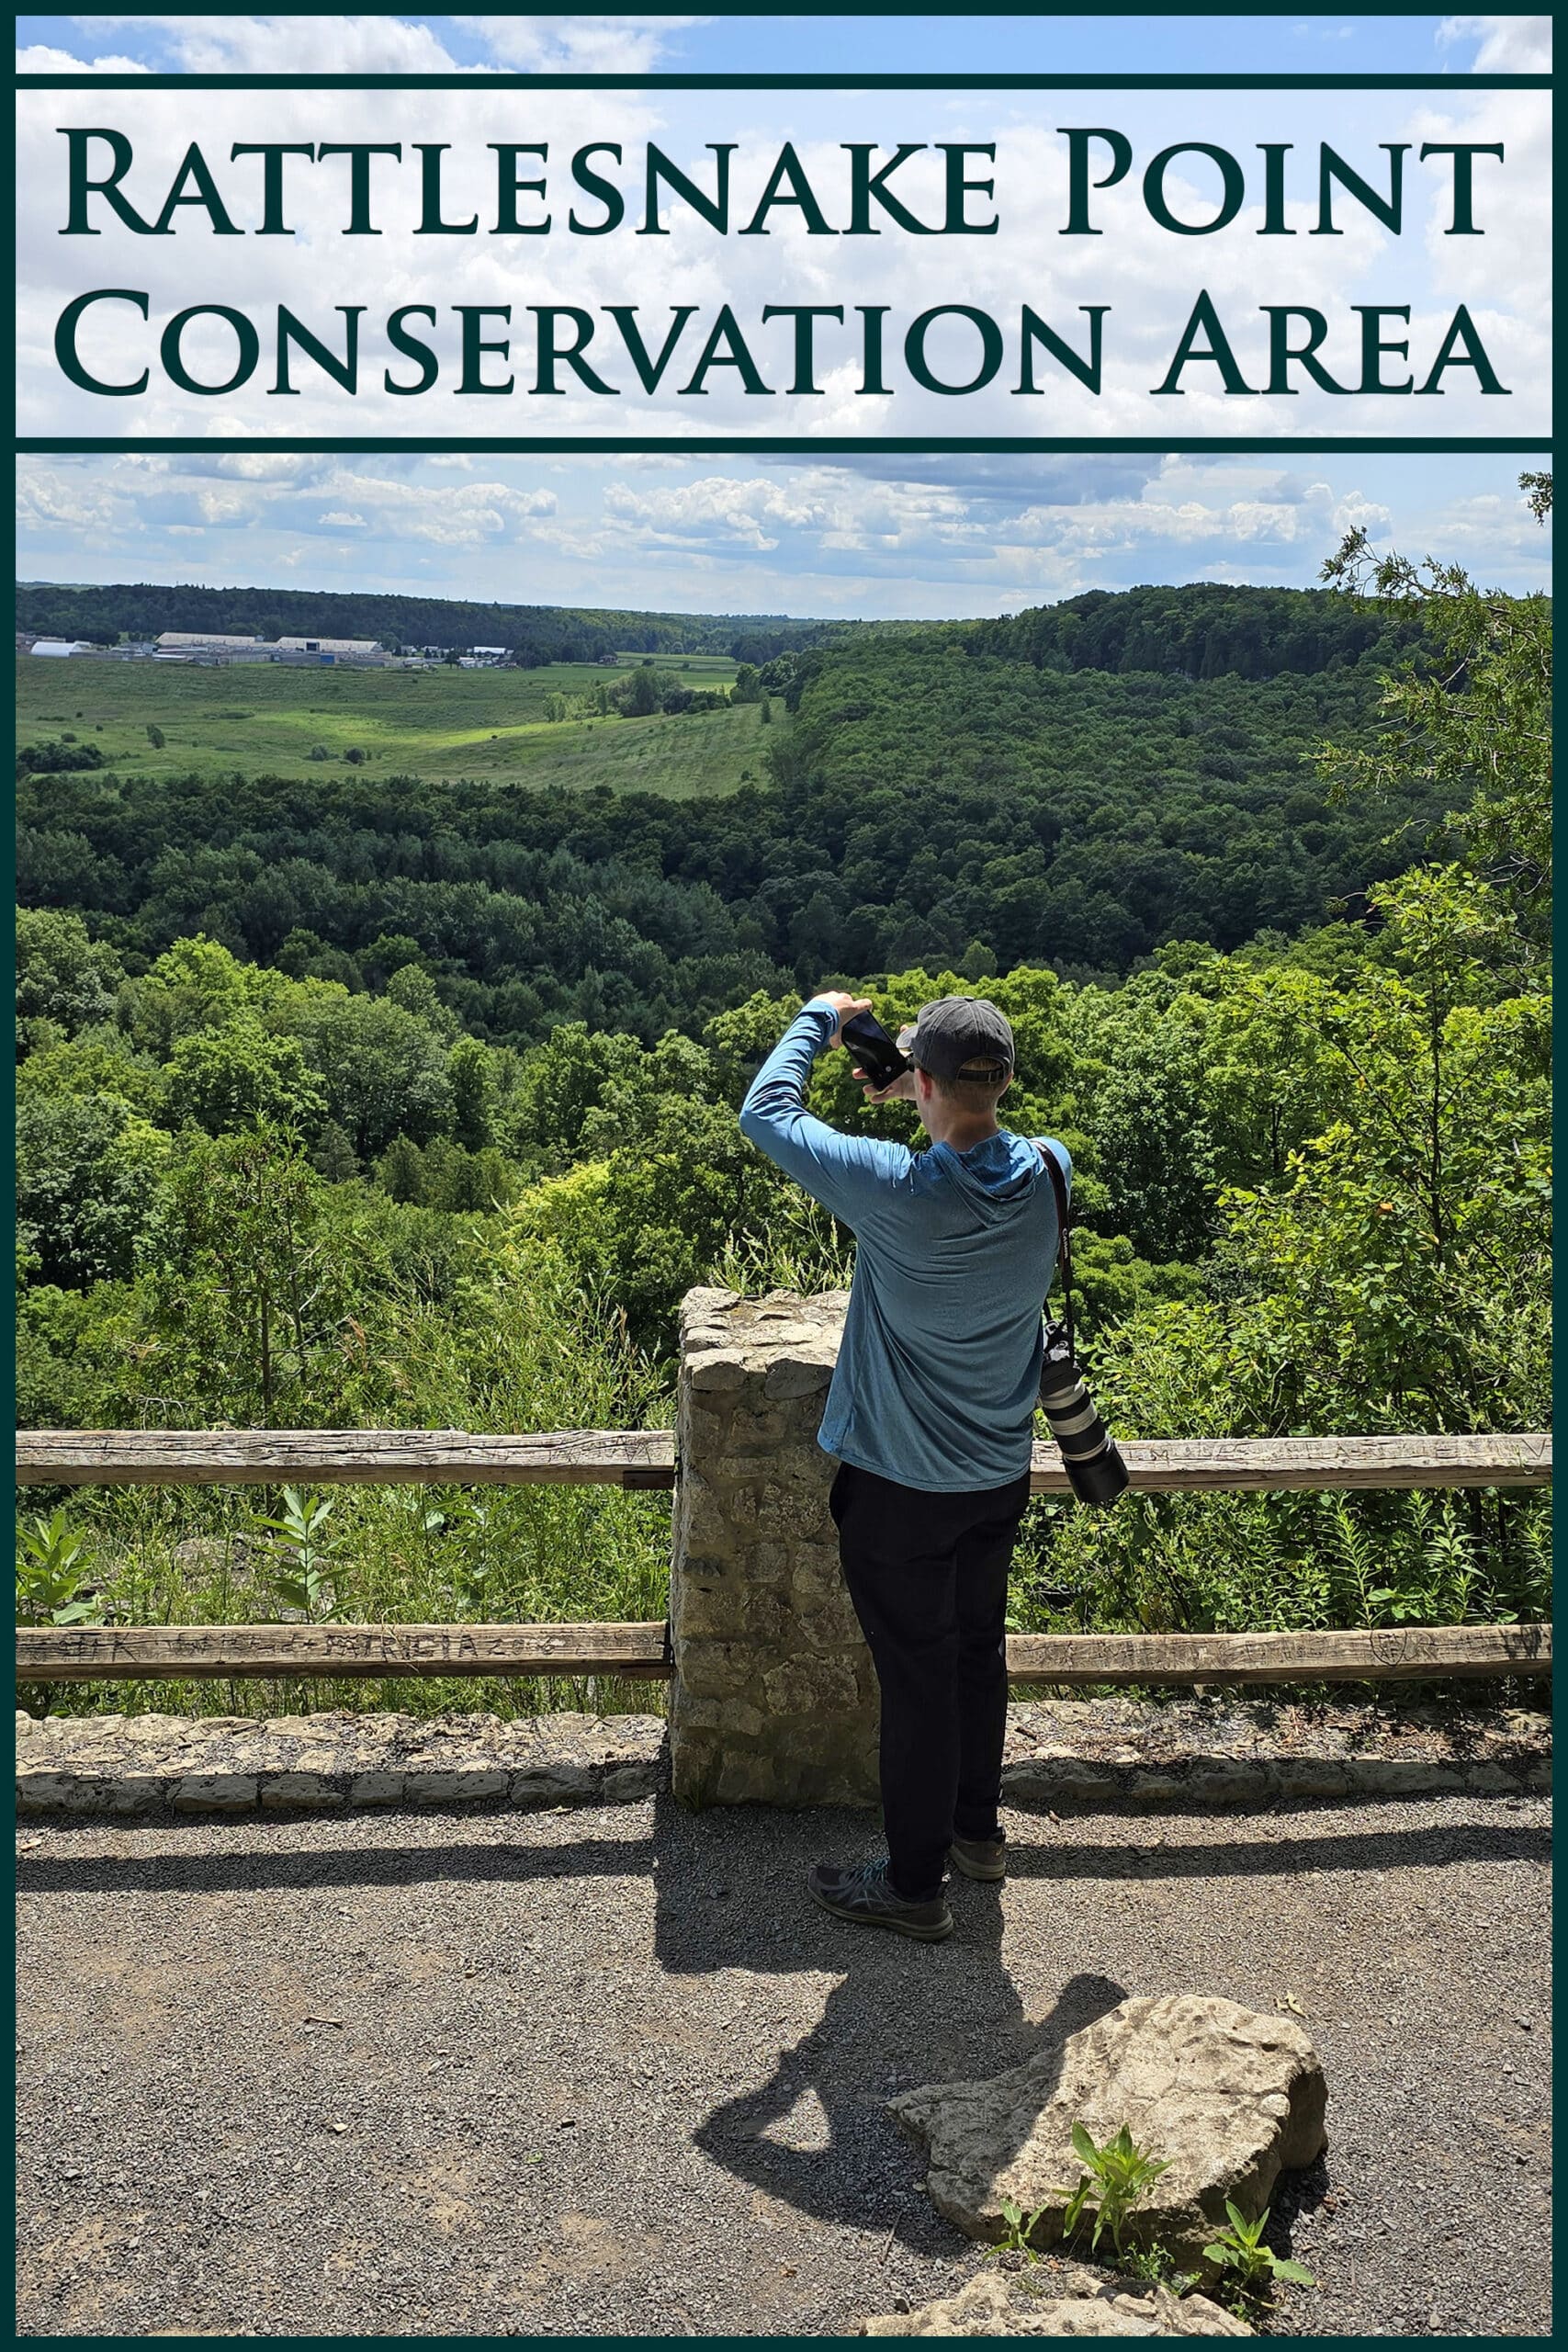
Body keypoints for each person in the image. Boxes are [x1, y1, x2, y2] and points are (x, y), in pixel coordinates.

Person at [738, 990, 1071, 1943]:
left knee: (918, 1683)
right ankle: (976, 1835)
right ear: (1002, 1079)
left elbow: (767, 1111)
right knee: (976, 1654)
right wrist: (924, 1093)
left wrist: (814, 1016)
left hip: (898, 1490)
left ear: (923, 1080)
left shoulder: (898, 1189)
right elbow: (984, 1132)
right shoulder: (1051, 1170)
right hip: (999, 1472)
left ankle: (914, 1884)